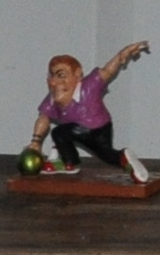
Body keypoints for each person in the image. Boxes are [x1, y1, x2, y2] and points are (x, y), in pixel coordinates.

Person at [26, 40, 150, 178]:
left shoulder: (89, 86)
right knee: (66, 136)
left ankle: (75, 162)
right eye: (51, 76)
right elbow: (43, 117)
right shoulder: (53, 98)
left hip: (99, 129)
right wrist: (35, 142)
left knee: (63, 134)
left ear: (77, 75)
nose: (54, 82)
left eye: (61, 75)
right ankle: (118, 158)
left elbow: (108, 71)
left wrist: (123, 54)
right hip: (79, 130)